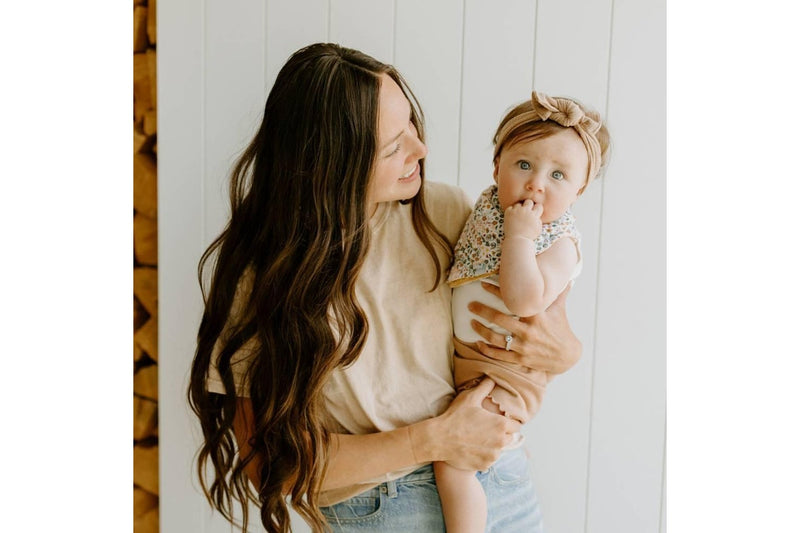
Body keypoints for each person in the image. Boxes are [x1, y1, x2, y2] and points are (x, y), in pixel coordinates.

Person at [187, 42, 582, 533]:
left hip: (500, 481)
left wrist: (563, 352)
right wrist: (434, 441)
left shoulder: (451, 213)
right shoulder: (264, 271)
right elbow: (272, 466)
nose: (421, 150)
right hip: (381, 509)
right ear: (331, 164)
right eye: (394, 145)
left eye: (412, 125)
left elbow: (543, 322)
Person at [434, 92, 610, 533]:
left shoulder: (559, 243)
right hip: (470, 364)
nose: (537, 184)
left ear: (579, 190)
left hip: (508, 375)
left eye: (558, 175)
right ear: (497, 167)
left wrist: (520, 237)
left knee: (452, 465)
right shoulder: (487, 209)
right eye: (524, 165)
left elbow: (525, 300)